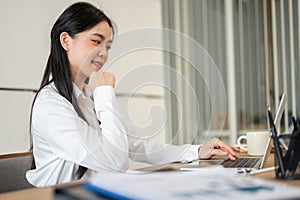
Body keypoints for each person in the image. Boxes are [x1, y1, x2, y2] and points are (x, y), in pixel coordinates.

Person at [26, 2, 239, 187]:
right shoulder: (51, 105)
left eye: (107, 46)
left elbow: (137, 145)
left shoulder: (86, 98)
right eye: (96, 41)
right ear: (66, 41)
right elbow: (116, 162)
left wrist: (196, 151)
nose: (103, 53)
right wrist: (105, 93)